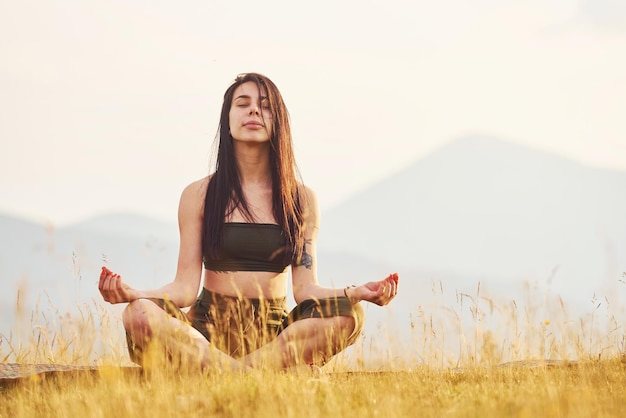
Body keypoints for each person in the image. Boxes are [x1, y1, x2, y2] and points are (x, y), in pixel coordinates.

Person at [98, 72, 399, 372]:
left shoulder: (301, 199)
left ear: (278, 121)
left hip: (275, 337)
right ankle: (246, 374)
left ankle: (224, 373)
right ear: (227, 120)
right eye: (243, 104)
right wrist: (134, 295)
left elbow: (305, 289)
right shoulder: (199, 194)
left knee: (351, 315)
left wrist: (354, 293)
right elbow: (184, 288)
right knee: (137, 314)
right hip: (206, 332)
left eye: (265, 106)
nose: (254, 110)